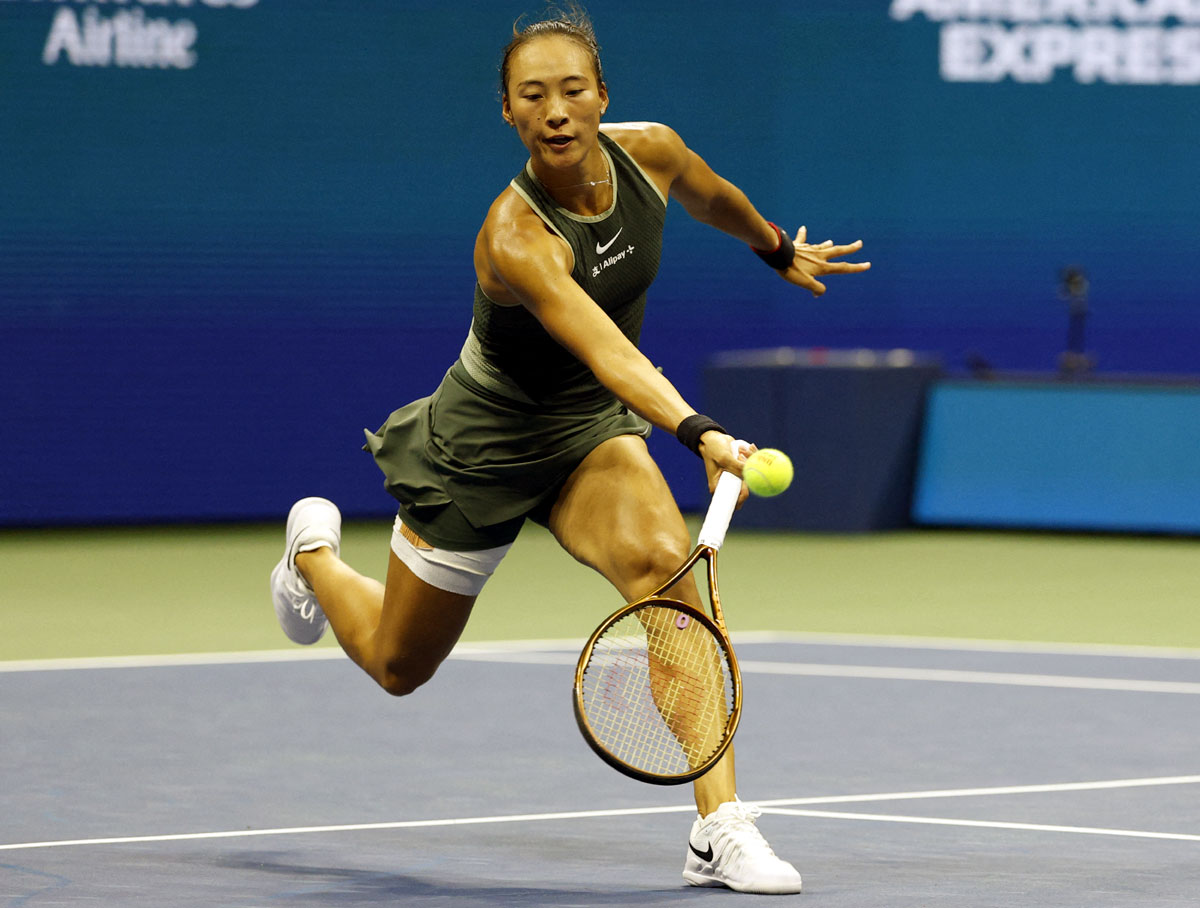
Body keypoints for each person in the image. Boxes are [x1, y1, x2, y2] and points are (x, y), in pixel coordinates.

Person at [270, 7, 868, 895]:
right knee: (399, 665)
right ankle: (312, 556)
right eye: (532, 96)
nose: (555, 111)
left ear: (602, 100)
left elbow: (709, 193)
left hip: (590, 429)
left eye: (572, 91)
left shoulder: (651, 153)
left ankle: (721, 827)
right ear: (508, 114)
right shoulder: (515, 233)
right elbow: (605, 347)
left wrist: (773, 244)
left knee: (671, 574)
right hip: (484, 443)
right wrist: (700, 431)